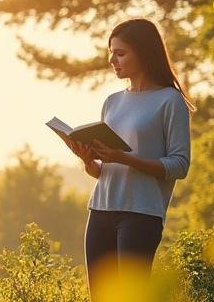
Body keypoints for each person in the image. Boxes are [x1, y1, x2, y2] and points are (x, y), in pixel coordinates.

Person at [63, 18, 192, 288]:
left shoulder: (170, 100)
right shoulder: (112, 102)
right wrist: (88, 160)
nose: (112, 60)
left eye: (120, 53)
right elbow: (103, 171)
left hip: (141, 214)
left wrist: (124, 158)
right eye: (111, 53)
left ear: (144, 53)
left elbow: (180, 165)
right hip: (100, 211)